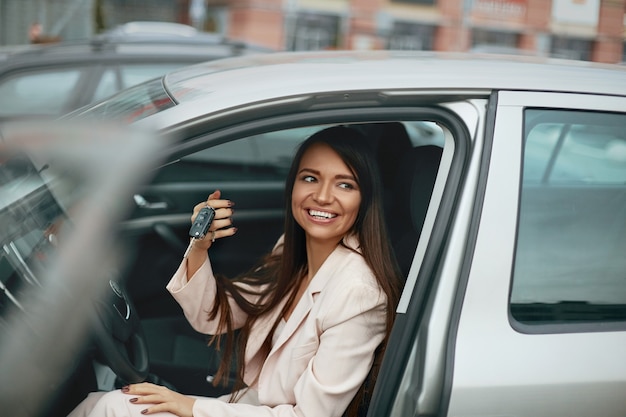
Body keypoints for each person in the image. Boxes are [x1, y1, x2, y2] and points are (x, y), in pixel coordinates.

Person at [72, 125, 402, 417]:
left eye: (345, 185)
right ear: (293, 186)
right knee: (98, 403)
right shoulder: (293, 249)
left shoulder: (359, 292)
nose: (323, 196)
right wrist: (200, 246)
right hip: (244, 405)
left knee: (106, 408)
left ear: (365, 199)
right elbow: (213, 316)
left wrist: (191, 407)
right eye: (310, 178)